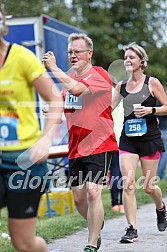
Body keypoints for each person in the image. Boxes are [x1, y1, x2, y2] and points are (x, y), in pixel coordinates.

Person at [42, 33, 118, 252]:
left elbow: (77, 90)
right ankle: (97, 223)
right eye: (70, 52)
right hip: (76, 147)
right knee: (78, 199)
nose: (73, 56)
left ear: (89, 54)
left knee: (94, 192)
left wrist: (53, 68)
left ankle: (92, 243)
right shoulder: (69, 85)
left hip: (99, 144)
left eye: (78, 52)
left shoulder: (99, 75)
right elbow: (69, 101)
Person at [0, 6, 63, 252]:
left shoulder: (22, 57)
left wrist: (45, 139)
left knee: (23, 243)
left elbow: (55, 98)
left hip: (24, 160)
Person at [112, 42, 167, 243]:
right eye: (126, 57)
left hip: (150, 139)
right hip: (128, 139)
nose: (127, 60)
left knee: (149, 187)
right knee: (128, 184)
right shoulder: (121, 86)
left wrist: (150, 110)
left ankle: (161, 208)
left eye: (131, 57)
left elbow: (166, 106)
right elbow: (107, 107)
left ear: (141, 61)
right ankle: (132, 229)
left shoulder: (152, 83)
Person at [108, 85, 124, 213]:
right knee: (121, 172)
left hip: (108, 139)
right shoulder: (120, 93)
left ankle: (114, 204)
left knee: (113, 172)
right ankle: (122, 203)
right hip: (122, 138)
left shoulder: (102, 94)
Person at [157, 98, 167, 179]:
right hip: (165, 130)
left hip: (158, 130)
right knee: (164, 154)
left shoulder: (155, 102)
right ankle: (160, 174)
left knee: (159, 154)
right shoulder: (164, 103)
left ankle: (158, 173)